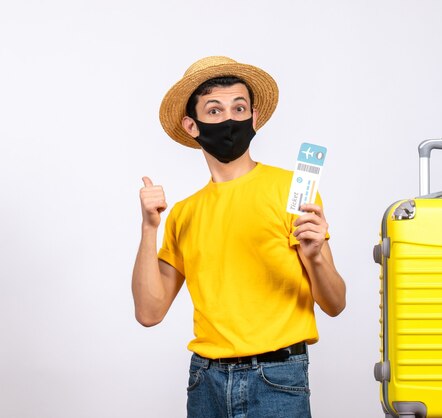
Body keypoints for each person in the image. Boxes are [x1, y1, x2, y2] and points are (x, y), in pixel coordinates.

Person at [132, 56, 346, 418]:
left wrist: (316, 256)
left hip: (278, 378)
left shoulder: (292, 190)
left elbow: (335, 304)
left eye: (239, 108)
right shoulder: (184, 213)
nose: (229, 119)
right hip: (206, 380)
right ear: (192, 125)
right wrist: (149, 228)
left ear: (254, 119)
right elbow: (149, 312)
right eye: (214, 110)